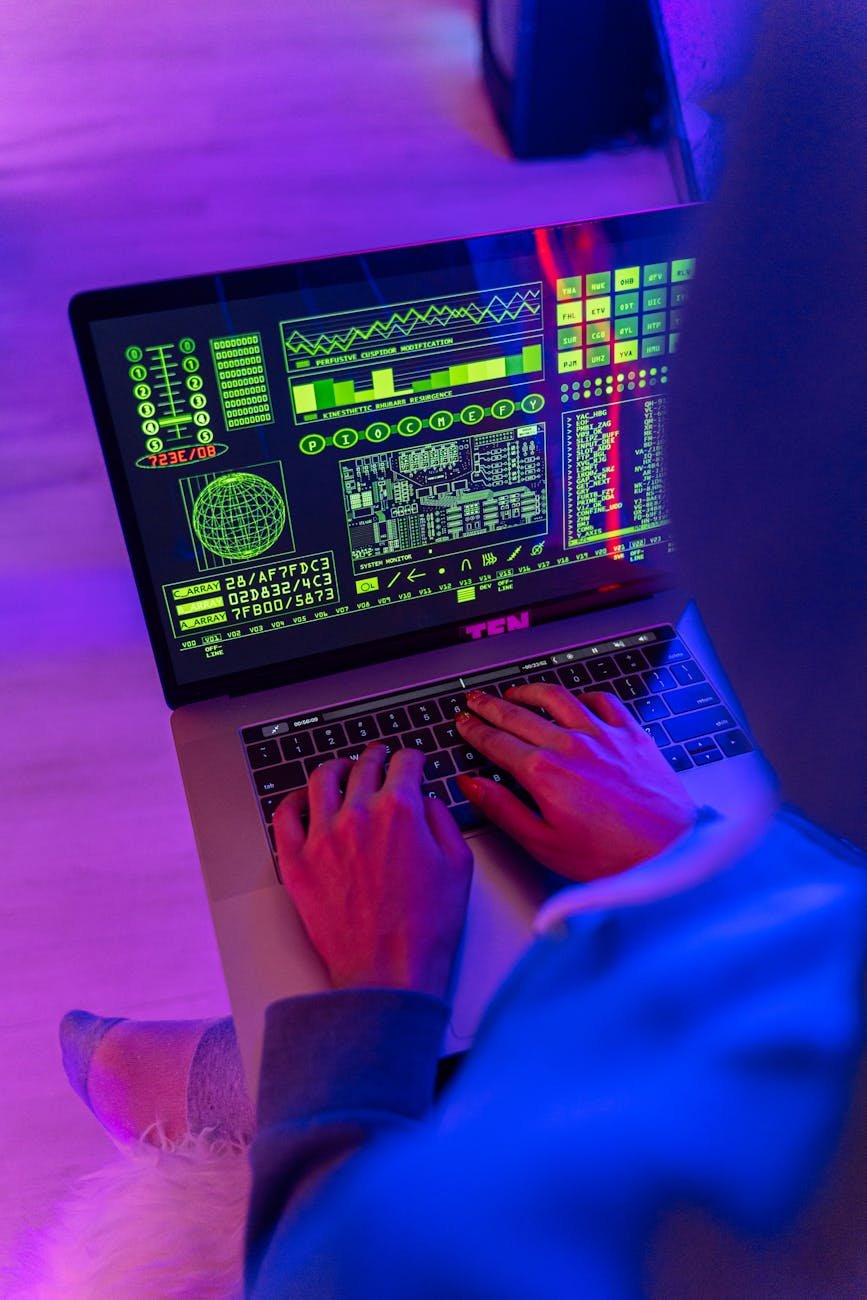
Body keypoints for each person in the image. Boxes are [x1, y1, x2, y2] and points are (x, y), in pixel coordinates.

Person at [52, 1, 865, 1294]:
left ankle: (185, 1075)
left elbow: (328, 1269)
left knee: (210, 1059)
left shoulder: (518, 1241)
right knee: (199, 1049)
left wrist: (375, 996)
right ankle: (183, 1065)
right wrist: (688, 865)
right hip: (660, 839)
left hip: (412, 1068)